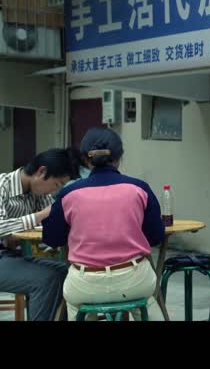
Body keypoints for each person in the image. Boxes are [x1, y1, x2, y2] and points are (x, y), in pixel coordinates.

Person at [43, 128, 165, 321]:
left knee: (76, 306)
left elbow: (52, 238)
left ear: (86, 160)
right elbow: (156, 236)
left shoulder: (68, 194)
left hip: (85, 284)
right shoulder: (139, 189)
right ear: (119, 157)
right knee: (147, 303)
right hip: (134, 281)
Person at [0, 149, 75, 320]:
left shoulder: (37, 192)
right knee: (46, 279)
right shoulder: (2, 185)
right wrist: (40, 216)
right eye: (57, 184)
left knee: (66, 272)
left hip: (12, 255)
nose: (56, 190)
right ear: (41, 172)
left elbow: (55, 217)